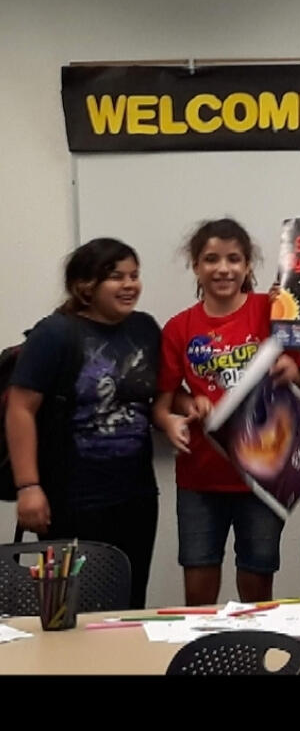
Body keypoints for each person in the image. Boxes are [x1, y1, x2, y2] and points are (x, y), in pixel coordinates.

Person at [6, 238, 171, 609]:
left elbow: (162, 393)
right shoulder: (55, 333)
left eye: (135, 275)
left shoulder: (145, 328)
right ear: (85, 286)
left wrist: (185, 410)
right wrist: (28, 486)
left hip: (137, 496)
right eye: (116, 277)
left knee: (128, 604)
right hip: (72, 499)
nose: (130, 285)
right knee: (71, 610)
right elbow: (20, 409)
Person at [155, 218, 300, 605]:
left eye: (233, 259)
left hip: (263, 476)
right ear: (196, 266)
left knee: (257, 593)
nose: (223, 268)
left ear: (247, 266)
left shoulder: (271, 310)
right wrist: (185, 410)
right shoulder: (178, 328)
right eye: (211, 259)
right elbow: (167, 400)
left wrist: (293, 372)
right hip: (200, 478)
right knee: (199, 594)